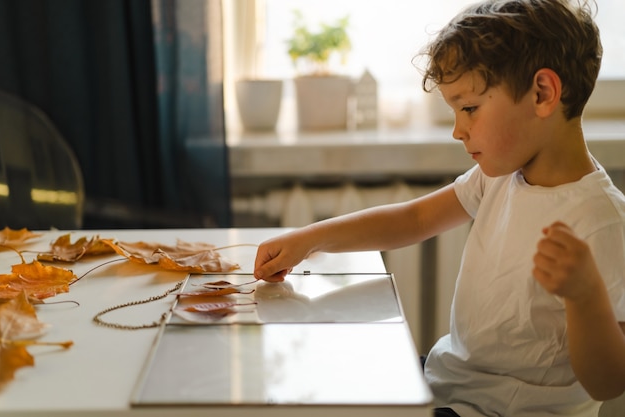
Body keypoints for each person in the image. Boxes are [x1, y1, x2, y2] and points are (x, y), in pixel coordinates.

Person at [253, 0, 625, 415]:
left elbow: (609, 381)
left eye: (469, 109)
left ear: (542, 93)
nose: (457, 130)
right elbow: (415, 218)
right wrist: (309, 238)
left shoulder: (602, 221)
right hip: (448, 385)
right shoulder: (500, 176)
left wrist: (584, 296)